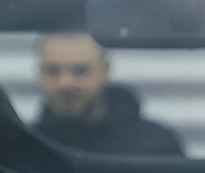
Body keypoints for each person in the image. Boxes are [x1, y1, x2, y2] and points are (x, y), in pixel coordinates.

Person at [32, 29, 185, 160]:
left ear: (104, 71)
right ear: (40, 73)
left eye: (80, 70)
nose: (65, 83)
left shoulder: (156, 146)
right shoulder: (27, 146)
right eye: (53, 70)